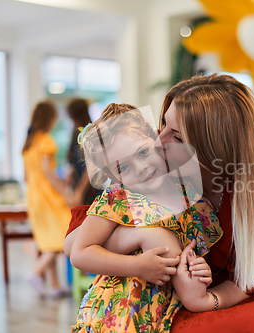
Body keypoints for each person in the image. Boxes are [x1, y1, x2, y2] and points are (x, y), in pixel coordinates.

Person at [66, 74, 254, 332]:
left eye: (177, 136)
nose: (159, 141)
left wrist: (202, 289)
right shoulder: (147, 181)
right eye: (162, 125)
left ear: (212, 146)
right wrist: (143, 236)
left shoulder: (250, 196)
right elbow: (74, 245)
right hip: (130, 304)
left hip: (189, 301)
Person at [68, 103, 222, 333]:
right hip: (114, 314)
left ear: (158, 142)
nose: (140, 168)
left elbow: (197, 253)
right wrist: (137, 265)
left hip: (163, 314)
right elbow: (80, 253)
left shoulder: (192, 198)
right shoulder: (118, 199)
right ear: (113, 176)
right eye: (124, 167)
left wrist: (200, 269)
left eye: (143, 152)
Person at [22, 101, 73, 298]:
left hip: (33, 197)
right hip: (47, 196)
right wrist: (66, 193)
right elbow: (48, 173)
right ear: (49, 119)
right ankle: (36, 272)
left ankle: (54, 285)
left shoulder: (29, 143)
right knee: (61, 236)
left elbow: (27, 176)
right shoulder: (46, 141)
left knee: (47, 239)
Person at [65, 98, 100, 206]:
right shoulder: (75, 133)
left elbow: (91, 167)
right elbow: (72, 159)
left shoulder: (89, 133)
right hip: (79, 185)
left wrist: (80, 192)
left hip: (90, 189)